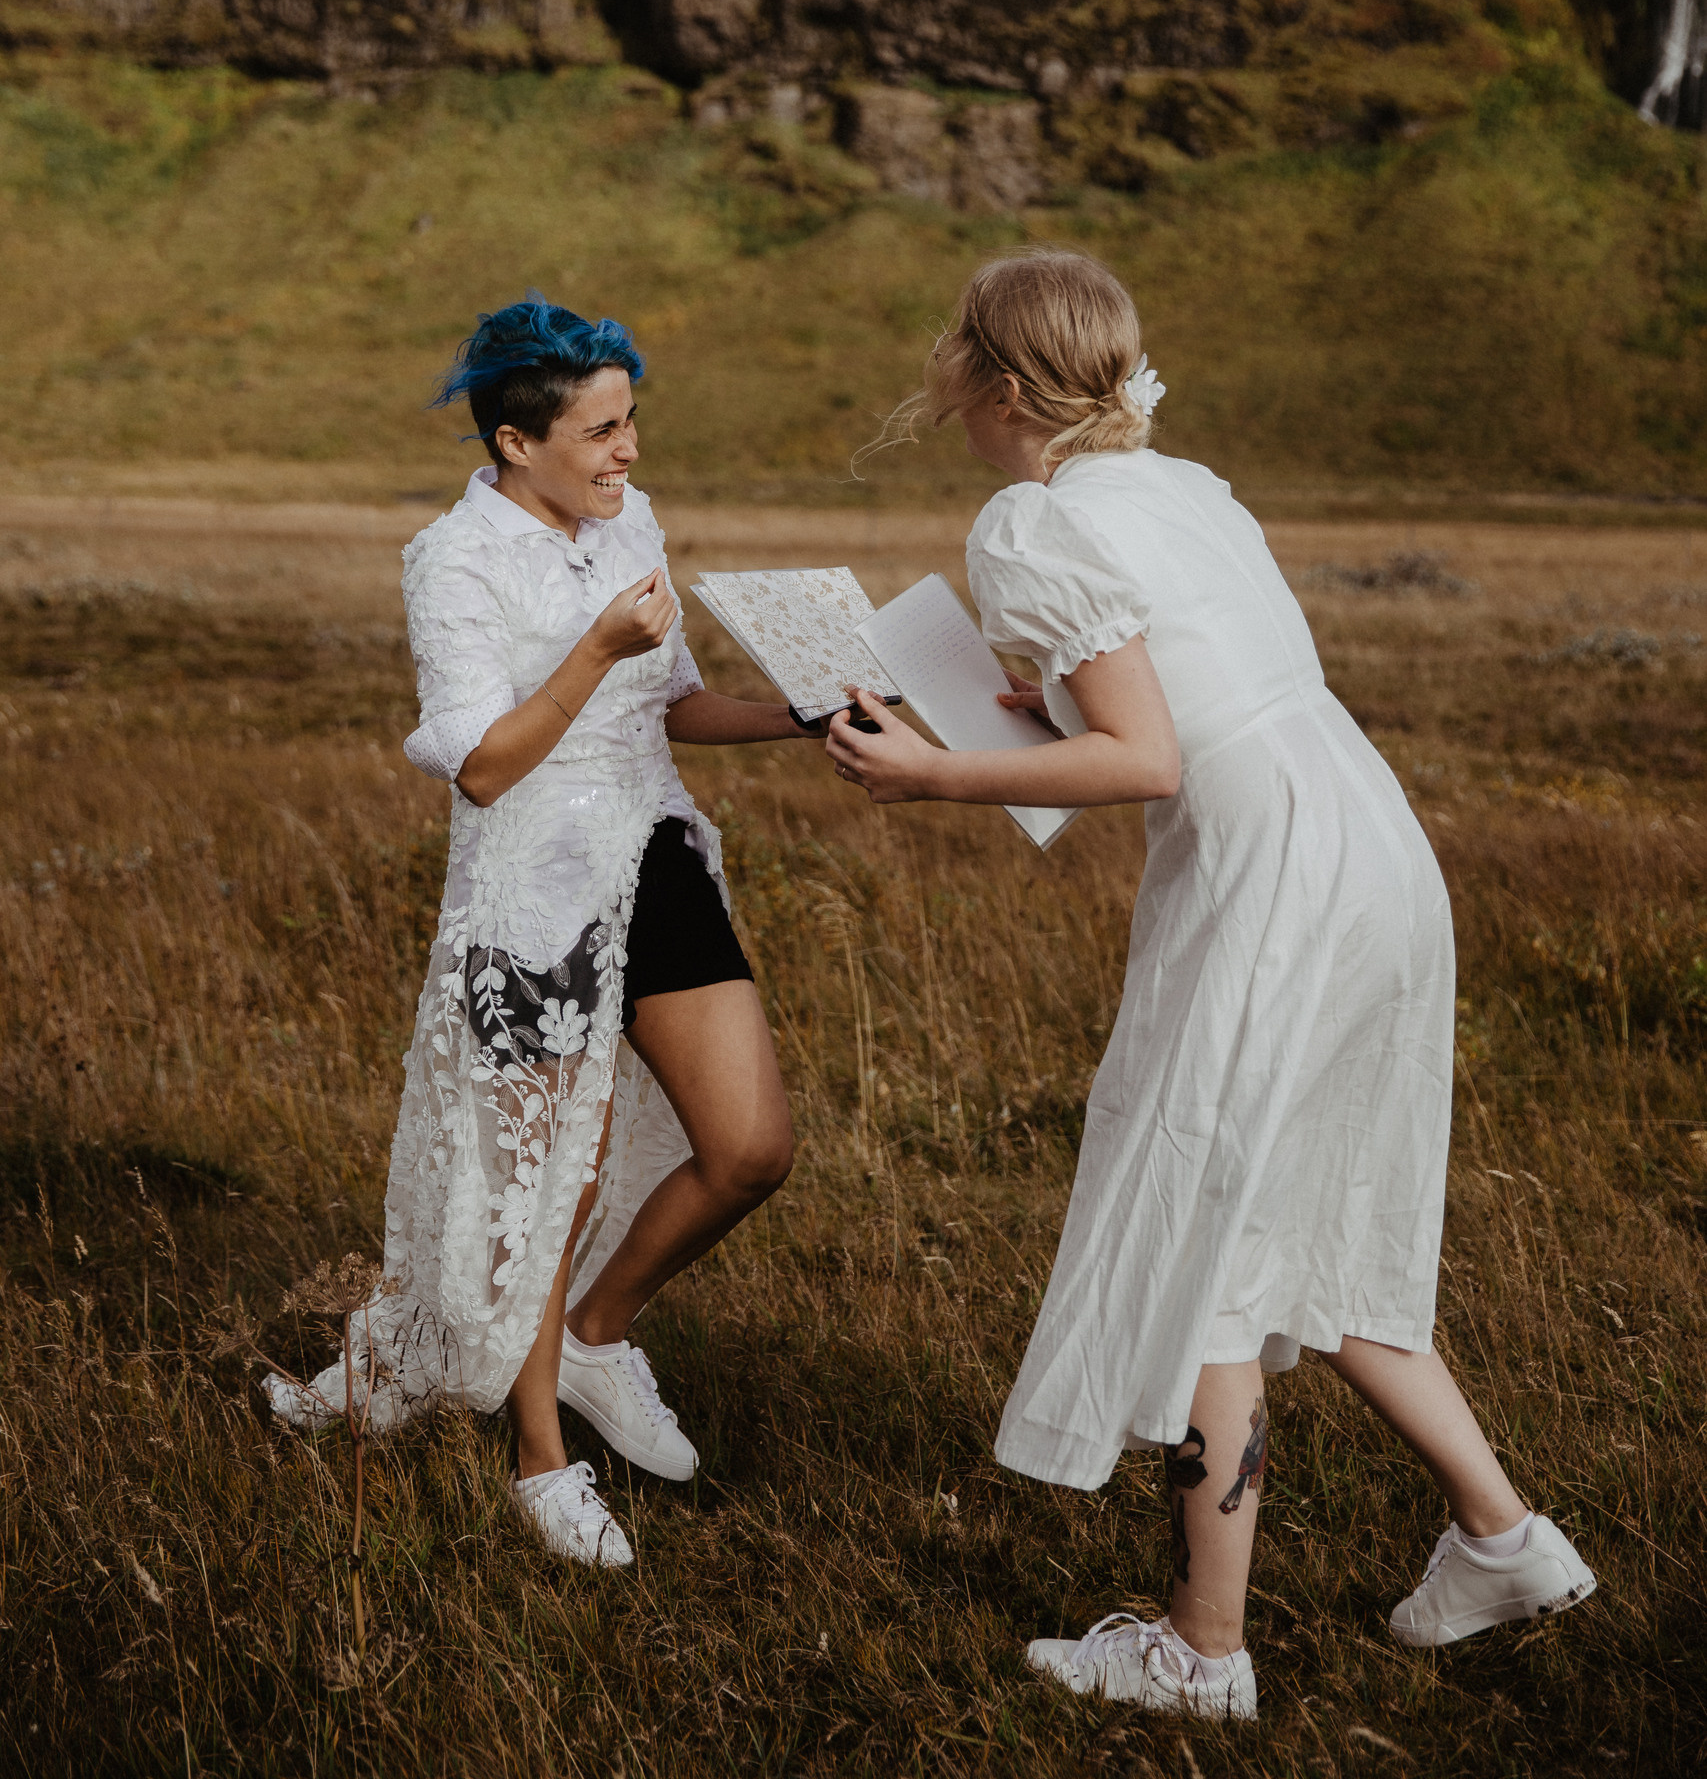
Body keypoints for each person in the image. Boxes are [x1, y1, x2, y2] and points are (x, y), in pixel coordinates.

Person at [827, 247, 1595, 1724]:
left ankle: (1200, 1649)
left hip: (1267, 881)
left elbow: (1144, 756)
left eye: (953, 344)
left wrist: (931, 773)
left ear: (998, 385)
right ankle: (1504, 1540)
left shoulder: (1027, 520)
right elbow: (1169, 691)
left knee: (1199, 1234)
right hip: (1366, 838)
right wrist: (1031, 705)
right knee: (1298, 1216)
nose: (939, 363)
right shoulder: (1179, 486)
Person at [267, 295, 815, 1570]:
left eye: (631, 422)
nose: (630, 451)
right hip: (532, 891)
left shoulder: (631, 520)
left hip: (655, 858)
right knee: (544, 1183)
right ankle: (539, 1463)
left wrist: (803, 717)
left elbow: (675, 703)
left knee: (751, 1148)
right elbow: (483, 767)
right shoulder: (452, 559)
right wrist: (594, 647)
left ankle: (594, 1337)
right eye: (601, 432)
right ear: (518, 442)